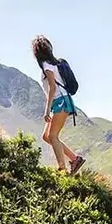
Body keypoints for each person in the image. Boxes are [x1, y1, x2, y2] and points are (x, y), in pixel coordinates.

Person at [33, 35, 83, 173]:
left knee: (53, 135)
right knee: (46, 136)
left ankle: (62, 168)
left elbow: (52, 87)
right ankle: (74, 159)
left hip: (59, 101)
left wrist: (47, 110)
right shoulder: (54, 63)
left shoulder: (46, 65)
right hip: (63, 100)